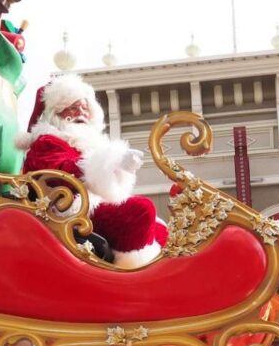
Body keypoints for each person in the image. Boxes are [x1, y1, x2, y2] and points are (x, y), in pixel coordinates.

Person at [16, 74, 167, 268]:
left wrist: (118, 166)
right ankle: (128, 272)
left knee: (160, 228)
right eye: (73, 107)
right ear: (57, 112)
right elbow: (61, 170)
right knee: (141, 211)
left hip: (91, 205)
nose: (80, 112)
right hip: (68, 210)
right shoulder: (47, 141)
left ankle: (143, 269)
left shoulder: (88, 145)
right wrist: (109, 161)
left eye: (85, 107)